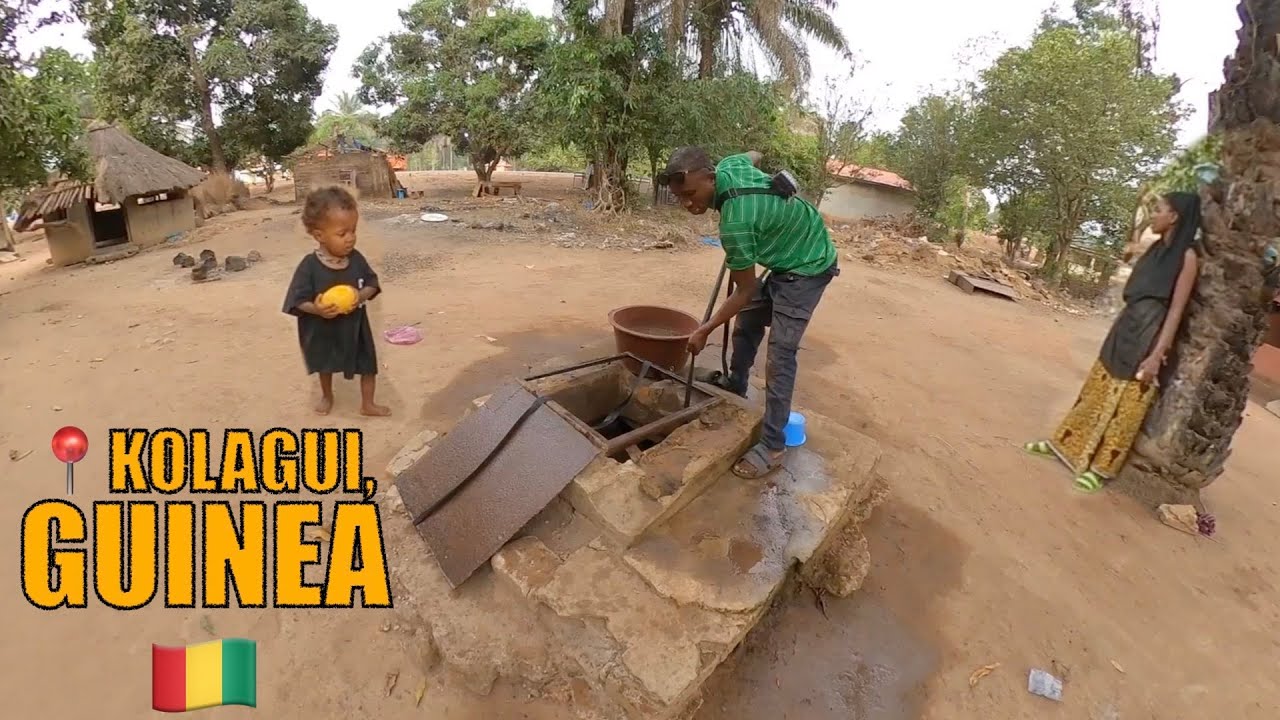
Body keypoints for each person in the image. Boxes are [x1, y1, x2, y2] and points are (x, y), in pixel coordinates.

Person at [659, 146, 839, 479]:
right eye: (679, 197)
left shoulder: (736, 224)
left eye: (691, 193)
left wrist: (705, 329)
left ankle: (772, 446)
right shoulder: (731, 163)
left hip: (809, 263)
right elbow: (754, 154)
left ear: (711, 177)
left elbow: (746, 290)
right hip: (782, 255)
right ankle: (736, 384)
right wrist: (774, 176)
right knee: (748, 324)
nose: (687, 203)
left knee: (780, 356)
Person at [1024, 191, 1202, 492]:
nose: (1154, 215)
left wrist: (1156, 354)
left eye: (1159, 210)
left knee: (1127, 404)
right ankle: (1063, 445)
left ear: (1174, 217)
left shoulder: (1187, 258)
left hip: (1150, 333)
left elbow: (1176, 311)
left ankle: (1101, 468)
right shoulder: (1155, 249)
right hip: (1125, 327)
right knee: (1096, 390)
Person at [283, 186, 390, 417]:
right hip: (324, 328)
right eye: (342, 234)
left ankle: (368, 404)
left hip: (355, 327)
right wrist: (317, 309)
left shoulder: (356, 259)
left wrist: (359, 296)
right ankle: (327, 395)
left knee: (367, 364)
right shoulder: (309, 266)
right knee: (325, 364)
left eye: (353, 230)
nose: (350, 238)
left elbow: (372, 283)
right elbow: (297, 300)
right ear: (319, 235)